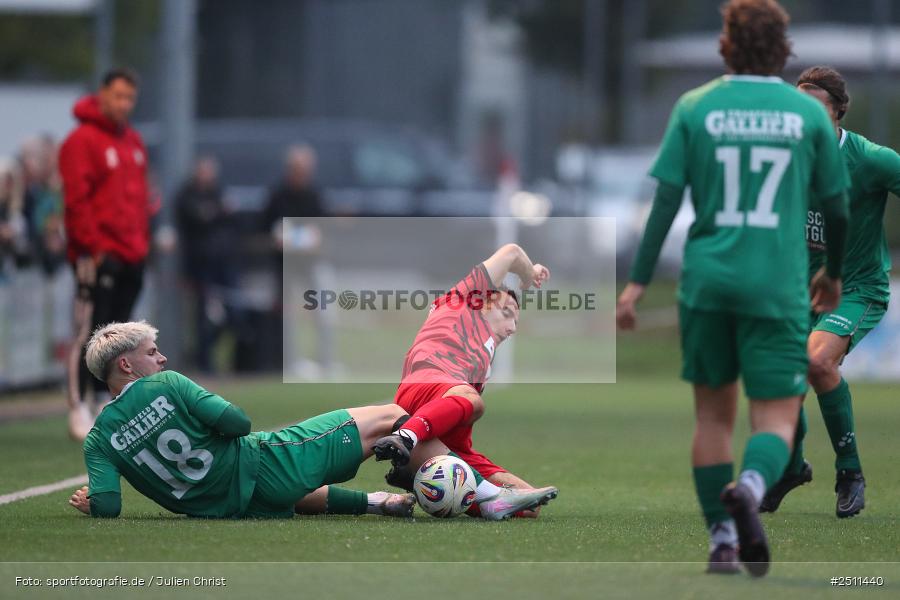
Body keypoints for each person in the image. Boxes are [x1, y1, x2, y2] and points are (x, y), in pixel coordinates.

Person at [615, 0, 849, 577]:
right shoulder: (807, 116)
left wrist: (637, 284)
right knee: (775, 417)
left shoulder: (696, 106)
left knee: (713, 419)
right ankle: (750, 485)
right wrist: (834, 272)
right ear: (782, 49)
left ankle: (722, 541)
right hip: (775, 285)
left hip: (708, 283)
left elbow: (665, 201)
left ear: (726, 45)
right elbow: (838, 206)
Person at [68, 321, 548, 520]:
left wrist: (95, 503)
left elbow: (108, 505)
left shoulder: (98, 439)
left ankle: (381, 500)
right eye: (151, 353)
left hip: (230, 507)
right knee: (397, 417)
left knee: (284, 485)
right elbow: (236, 423)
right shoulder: (167, 385)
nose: (162, 357)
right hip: (263, 462)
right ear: (126, 365)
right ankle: (486, 499)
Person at [760, 66, 900, 519]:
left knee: (816, 361)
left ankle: (850, 472)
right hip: (798, 290)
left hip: (856, 287)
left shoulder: (873, 160)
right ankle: (791, 468)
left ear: (838, 111)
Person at [372, 243, 559, 517]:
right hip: (423, 387)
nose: (512, 327)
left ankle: (414, 473)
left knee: (531, 509)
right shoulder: (461, 300)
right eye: (508, 314)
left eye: (516, 322)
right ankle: (405, 437)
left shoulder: (481, 361)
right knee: (472, 400)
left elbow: (458, 422)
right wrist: (530, 274)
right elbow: (511, 253)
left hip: (442, 420)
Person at [59, 68, 153, 440]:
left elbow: (138, 201)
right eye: (117, 96)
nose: (123, 104)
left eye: (129, 98)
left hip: (131, 252)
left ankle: (104, 398)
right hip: (96, 253)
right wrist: (92, 247)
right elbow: (76, 201)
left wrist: (141, 246)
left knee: (118, 332)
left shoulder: (133, 142)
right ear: (102, 94)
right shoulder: (82, 141)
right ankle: (77, 404)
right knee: (90, 329)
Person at [175, 156, 237, 373]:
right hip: (201, 267)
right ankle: (204, 362)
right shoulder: (187, 195)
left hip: (224, 264)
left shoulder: (218, 192)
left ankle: (222, 358)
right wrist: (216, 211)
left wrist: (214, 212)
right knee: (202, 317)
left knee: (233, 313)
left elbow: (228, 218)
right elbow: (200, 217)